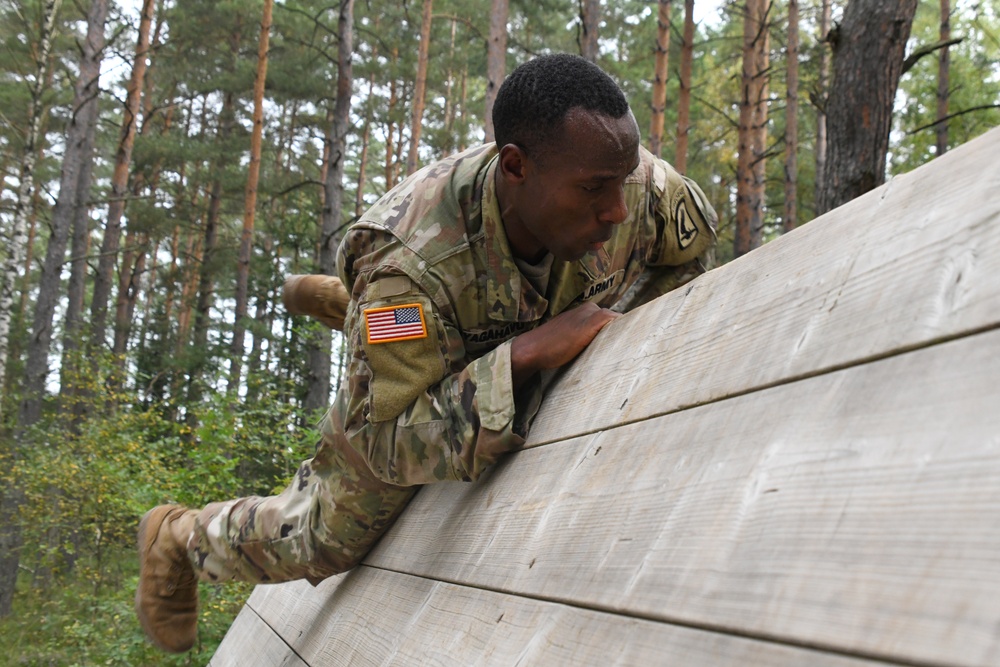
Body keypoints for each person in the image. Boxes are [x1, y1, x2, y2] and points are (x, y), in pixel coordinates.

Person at [135, 53, 717, 653]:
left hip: (461, 307)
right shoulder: (404, 269)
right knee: (330, 537)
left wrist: (624, 338)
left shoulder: (637, 185)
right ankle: (181, 538)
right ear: (515, 166)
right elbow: (387, 445)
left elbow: (693, 247)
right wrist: (522, 357)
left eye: (622, 181)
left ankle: (362, 316)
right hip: (420, 307)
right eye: (596, 189)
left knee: (427, 325)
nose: (618, 210)